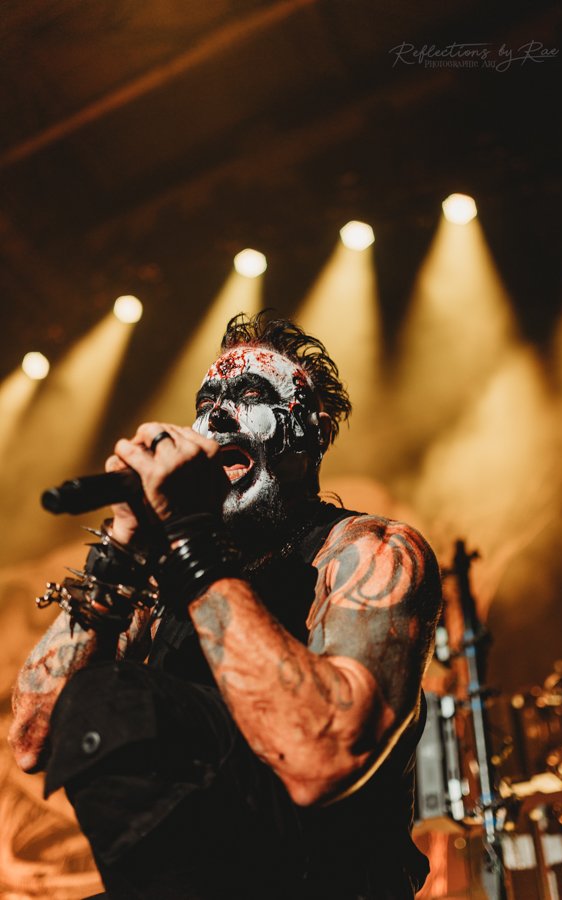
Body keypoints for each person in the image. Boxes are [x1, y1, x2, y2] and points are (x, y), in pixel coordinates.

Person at [9, 313, 442, 899]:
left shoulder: (370, 550)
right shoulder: (161, 582)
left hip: (326, 879)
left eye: (251, 394)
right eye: (206, 400)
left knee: (115, 698)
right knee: (99, 697)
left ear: (311, 432)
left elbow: (325, 756)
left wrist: (190, 540)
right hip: (195, 874)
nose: (216, 416)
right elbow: (33, 740)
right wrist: (122, 545)